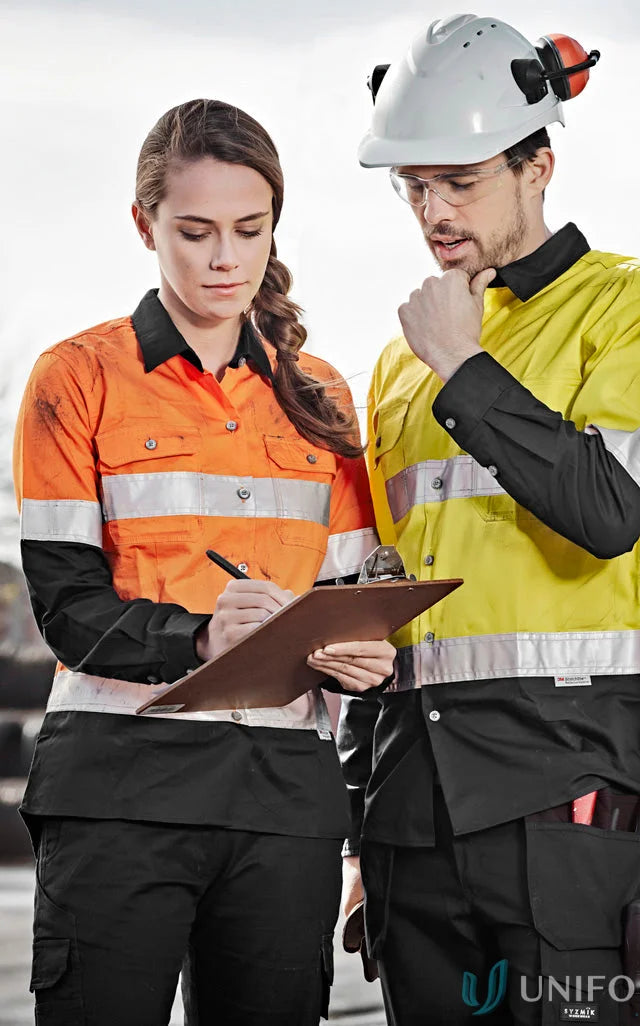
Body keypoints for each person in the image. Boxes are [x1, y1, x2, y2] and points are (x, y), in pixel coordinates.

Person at [337, 14, 640, 1026]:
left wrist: (464, 365)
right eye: (413, 184)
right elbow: (387, 595)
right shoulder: (393, 363)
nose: (431, 210)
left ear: (537, 164)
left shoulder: (636, 306)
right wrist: (357, 828)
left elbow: (604, 511)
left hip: (566, 794)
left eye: (458, 181)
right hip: (410, 813)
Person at [13, 97, 395, 1026]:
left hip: (282, 804)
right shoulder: (77, 378)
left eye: (247, 229)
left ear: (273, 229)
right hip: (120, 789)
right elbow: (66, 605)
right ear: (143, 225)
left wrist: (368, 658)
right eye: (194, 231)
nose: (224, 258)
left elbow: (347, 598)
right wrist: (198, 636)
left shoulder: (320, 395)